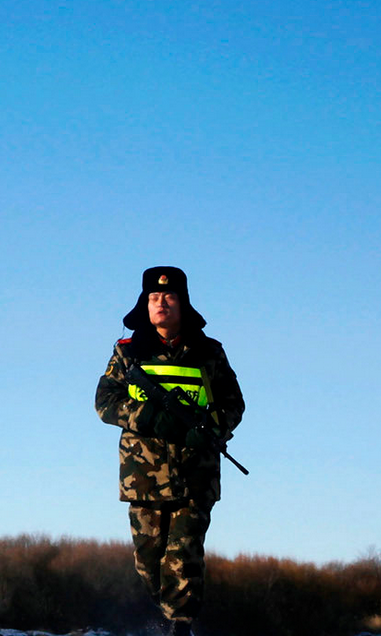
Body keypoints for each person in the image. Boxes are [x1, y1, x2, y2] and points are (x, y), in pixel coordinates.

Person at [94, 267, 245, 636]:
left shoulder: (209, 352)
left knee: (184, 556)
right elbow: (104, 402)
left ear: (183, 303)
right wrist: (146, 416)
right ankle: (163, 618)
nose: (161, 303)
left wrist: (211, 429)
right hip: (143, 478)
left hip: (196, 474)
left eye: (169, 297)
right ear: (144, 305)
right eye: (153, 298)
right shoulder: (127, 353)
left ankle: (181, 626)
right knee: (148, 561)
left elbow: (234, 404)